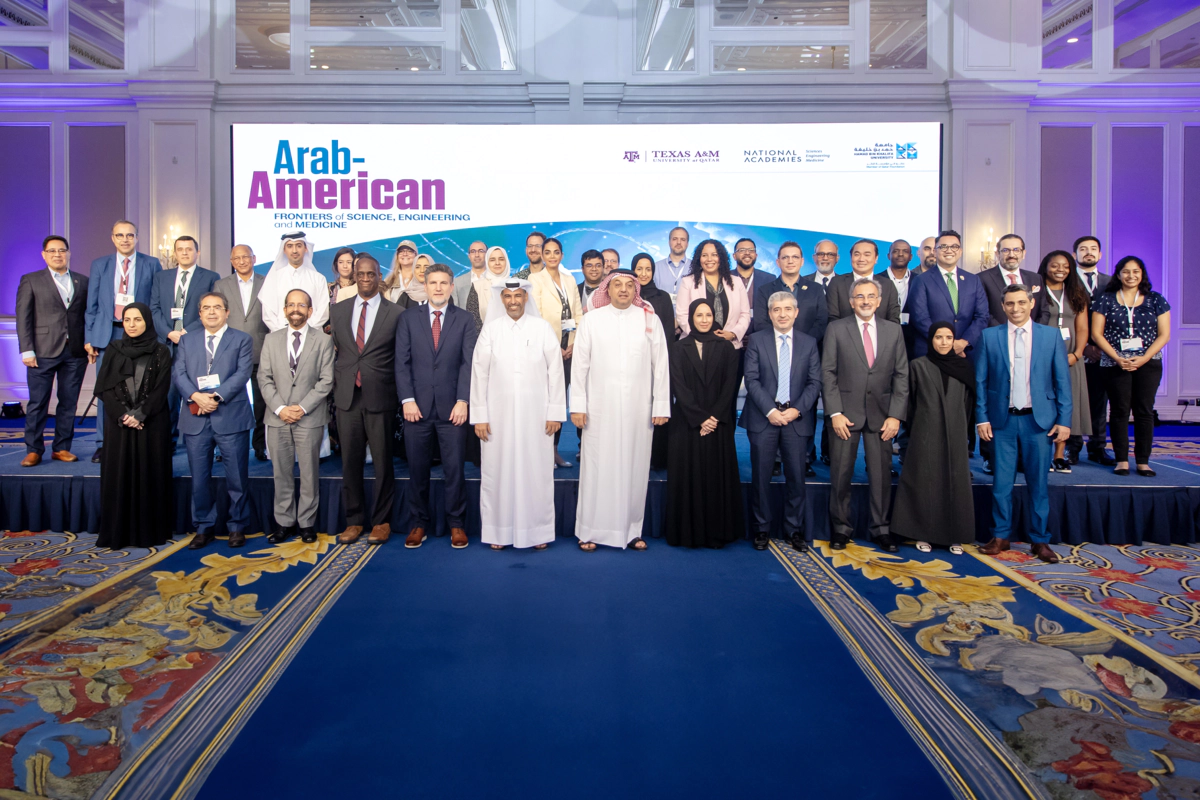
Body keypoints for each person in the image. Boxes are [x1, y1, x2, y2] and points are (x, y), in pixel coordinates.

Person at [571, 271, 670, 551]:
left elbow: (660, 365)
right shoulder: (591, 320)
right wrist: (577, 405)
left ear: (636, 291)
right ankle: (589, 530)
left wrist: (661, 404)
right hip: (599, 408)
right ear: (608, 289)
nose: (624, 290)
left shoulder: (649, 319)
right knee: (597, 467)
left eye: (630, 286)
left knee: (635, 467)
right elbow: (580, 367)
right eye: (618, 285)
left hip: (639, 408)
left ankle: (631, 530)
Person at [977, 284, 1072, 563]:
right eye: (1009, 304)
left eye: (1021, 302)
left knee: (1038, 484)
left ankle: (1040, 540)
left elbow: (1062, 383)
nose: (1015, 308)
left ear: (1031, 303)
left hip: (1038, 421)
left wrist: (1064, 421)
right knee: (1001, 484)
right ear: (1003, 306)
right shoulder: (989, 336)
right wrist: (982, 417)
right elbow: (981, 382)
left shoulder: (1050, 336)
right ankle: (1001, 536)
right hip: (1002, 421)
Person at [471, 280, 565, 550]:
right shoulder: (490, 331)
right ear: (501, 299)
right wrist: (480, 416)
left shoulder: (542, 329)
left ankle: (537, 533)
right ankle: (498, 532)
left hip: (537, 416)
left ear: (526, 298)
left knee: (536, 472)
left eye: (518, 296)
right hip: (496, 418)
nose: (513, 301)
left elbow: (556, 373)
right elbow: (479, 375)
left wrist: (555, 412)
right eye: (508, 296)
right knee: (497, 471)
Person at [822, 278, 909, 553]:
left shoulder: (894, 331)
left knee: (882, 477)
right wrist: (834, 412)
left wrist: (895, 415)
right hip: (845, 416)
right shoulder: (836, 329)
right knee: (840, 475)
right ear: (851, 301)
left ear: (879, 301)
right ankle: (840, 529)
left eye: (871, 296)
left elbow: (902, 376)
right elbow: (828, 373)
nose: (866, 301)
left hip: (882, 417)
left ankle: (881, 529)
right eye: (860, 297)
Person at [396, 263, 477, 549]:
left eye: (444, 283)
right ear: (426, 286)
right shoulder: (408, 318)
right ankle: (418, 524)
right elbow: (401, 363)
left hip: (452, 410)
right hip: (415, 410)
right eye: (433, 283)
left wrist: (463, 400)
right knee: (417, 470)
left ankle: (457, 525)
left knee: (454, 470)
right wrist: (407, 399)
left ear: (452, 287)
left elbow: (469, 364)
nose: (439, 288)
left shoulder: (465, 320)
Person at [740, 292, 822, 551]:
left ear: (796, 312)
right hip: (764, 418)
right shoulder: (756, 340)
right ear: (770, 313)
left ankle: (793, 529)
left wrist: (797, 410)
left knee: (796, 477)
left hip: (796, 419)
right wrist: (770, 410)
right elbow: (751, 379)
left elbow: (815, 382)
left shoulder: (809, 343)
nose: (783, 314)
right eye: (777, 309)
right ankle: (761, 529)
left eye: (788, 309)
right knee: (761, 477)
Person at [174, 292, 256, 550]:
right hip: (196, 416)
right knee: (199, 478)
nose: (211, 312)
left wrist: (216, 397)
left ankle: (237, 526)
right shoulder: (187, 341)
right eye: (206, 308)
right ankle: (203, 527)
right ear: (199, 313)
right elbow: (179, 373)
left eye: (217, 307)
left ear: (226, 312)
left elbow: (243, 373)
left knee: (237, 477)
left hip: (231, 416)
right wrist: (197, 396)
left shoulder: (242, 339)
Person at [330, 254, 402, 545]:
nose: (365, 279)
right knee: (350, 462)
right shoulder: (338, 311)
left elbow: (399, 357)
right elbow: (340, 351)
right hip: (347, 396)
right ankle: (354, 520)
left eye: (370, 274)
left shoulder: (396, 313)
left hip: (380, 394)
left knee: (383, 463)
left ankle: (381, 521)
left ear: (379, 276)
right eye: (360, 274)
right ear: (354, 276)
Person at [92, 303, 174, 549]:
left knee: (150, 473)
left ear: (147, 321)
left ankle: (149, 532)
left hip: (151, 423)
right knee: (119, 474)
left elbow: (162, 388)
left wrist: (140, 414)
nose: (132, 324)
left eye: (137, 319)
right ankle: (118, 532)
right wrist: (124, 415)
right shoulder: (114, 349)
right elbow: (104, 388)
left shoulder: (161, 351)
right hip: (120, 425)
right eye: (127, 320)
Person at [890, 322, 976, 555]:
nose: (944, 342)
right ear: (931, 339)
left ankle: (954, 535)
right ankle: (922, 533)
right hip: (924, 432)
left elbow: (969, 405)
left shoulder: (964, 367)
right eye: (939, 337)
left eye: (949, 337)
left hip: (956, 433)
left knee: (955, 481)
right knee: (925, 480)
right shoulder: (918, 366)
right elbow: (911, 402)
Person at [665, 299, 744, 548]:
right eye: (698, 315)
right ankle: (687, 533)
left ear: (714, 317)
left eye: (708, 315)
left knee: (715, 477)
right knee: (687, 476)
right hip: (687, 423)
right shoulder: (678, 348)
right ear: (690, 318)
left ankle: (717, 532)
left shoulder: (726, 347)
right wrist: (699, 418)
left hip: (718, 424)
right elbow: (678, 386)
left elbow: (730, 386)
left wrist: (714, 417)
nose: (704, 319)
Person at [258, 289, 334, 545]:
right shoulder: (271, 340)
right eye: (290, 304)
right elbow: (264, 378)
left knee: (310, 473)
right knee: (281, 473)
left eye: (301, 305)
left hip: (309, 417)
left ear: (310, 311)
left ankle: (306, 523)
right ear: (284, 310)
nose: (295, 309)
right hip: (277, 417)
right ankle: (284, 522)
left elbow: (326, 381)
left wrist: (301, 408)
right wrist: (281, 408)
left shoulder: (323, 341)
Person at [85, 219, 162, 463]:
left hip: (141, 336)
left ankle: (142, 435)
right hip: (107, 335)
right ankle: (103, 442)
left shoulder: (152, 264)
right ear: (113, 238)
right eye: (120, 235)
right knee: (107, 390)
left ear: (137, 237)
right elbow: (92, 306)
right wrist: (90, 338)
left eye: (130, 235)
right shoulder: (100, 265)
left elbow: (156, 302)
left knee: (142, 387)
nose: (125, 239)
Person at [1092, 256, 1170, 478]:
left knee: (1144, 412)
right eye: (1126, 271)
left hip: (1148, 363)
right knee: (1119, 411)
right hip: (1114, 363)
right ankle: (1122, 460)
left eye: (1136, 271)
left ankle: (1143, 461)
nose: (1131, 276)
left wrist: (1144, 357)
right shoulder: (1105, 299)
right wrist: (1117, 357)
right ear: (1118, 275)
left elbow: (1164, 334)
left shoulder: (1156, 299)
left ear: (1142, 274)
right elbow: (1097, 333)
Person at [16, 235, 91, 467]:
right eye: (52, 251)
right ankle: (34, 450)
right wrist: (26, 350)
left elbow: (87, 316)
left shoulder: (83, 281)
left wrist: (90, 344)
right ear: (44, 255)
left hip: (75, 351)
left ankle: (61, 448)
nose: (58, 254)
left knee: (69, 403)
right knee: (38, 402)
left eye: (62, 250)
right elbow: (23, 317)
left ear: (69, 253)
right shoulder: (31, 280)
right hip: (42, 351)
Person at [758, 242, 828, 474]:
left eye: (795, 257)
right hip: (773, 353)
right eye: (785, 257)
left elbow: (821, 321)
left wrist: (800, 344)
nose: (790, 261)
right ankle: (776, 460)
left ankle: (804, 458)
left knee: (803, 403)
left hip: (805, 355)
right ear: (777, 262)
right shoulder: (765, 289)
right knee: (775, 401)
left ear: (801, 261)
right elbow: (759, 322)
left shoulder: (815, 290)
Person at [151, 236, 219, 450]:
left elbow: (212, 310)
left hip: (196, 342)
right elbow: (153, 308)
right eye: (180, 249)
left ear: (197, 253)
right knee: (168, 394)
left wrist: (187, 332)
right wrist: (169, 332)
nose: (185, 253)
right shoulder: (161, 277)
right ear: (175, 253)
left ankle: (196, 440)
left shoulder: (209, 277)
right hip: (167, 343)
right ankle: (169, 440)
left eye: (189, 249)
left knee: (196, 391)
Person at [529, 236, 583, 468]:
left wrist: (572, 344)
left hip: (570, 349)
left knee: (562, 403)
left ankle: (556, 451)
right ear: (542, 255)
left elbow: (578, 314)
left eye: (556, 252)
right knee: (547, 402)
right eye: (547, 252)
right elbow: (536, 317)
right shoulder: (535, 278)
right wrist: (555, 348)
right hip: (547, 351)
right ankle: (544, 451)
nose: (551, 256)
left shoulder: (570, 280)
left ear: (562, 255)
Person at [1038, 250, 1091, 473]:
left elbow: (1082, 328)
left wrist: (1077, 354)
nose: (1060, 270)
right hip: (1041, 356)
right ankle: (1040, 454)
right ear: (1045, 267)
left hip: (1070, 357)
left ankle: (1059, 455)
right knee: (1042, 403)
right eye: (1055, 265)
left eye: (1065, 266)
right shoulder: (1037, 290)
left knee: (1066, 404)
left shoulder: (1077, 293)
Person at [216, 244, 270, 461]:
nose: (241, 261)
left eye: (245, 257)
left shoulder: (267, 282)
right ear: (231, 261)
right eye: (236, 258)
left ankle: (260, 445)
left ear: (254, 258)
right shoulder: (221, 285)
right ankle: (223, 447)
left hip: (260, 349)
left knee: (261, 403)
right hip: (230, 353)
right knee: (227, 401)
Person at [907, 230, 990, 359]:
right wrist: (946, 343)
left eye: (954, 247)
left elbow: (982, 316)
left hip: (965, 353)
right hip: (931, 352)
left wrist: (963, 342)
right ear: (935, 251)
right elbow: (920, 318)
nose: (949, 250)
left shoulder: (973, 280)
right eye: (943, 246)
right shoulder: (921, 280)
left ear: (960, 251)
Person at [1073, 235, 1115, 466]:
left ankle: (1098, 448)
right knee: (1073, 400)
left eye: (1093, 249)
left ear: (1100, 255)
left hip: (1103, 352)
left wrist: (1099, 346)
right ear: (1074, 255)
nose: (1088, 253)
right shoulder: (1066, 282)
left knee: (1100, 402)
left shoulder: (1112, 282)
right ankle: (1072, 446)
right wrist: (1083, 347)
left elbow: (1117, 317)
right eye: (1083, 249)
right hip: (1075, 351)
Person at [633, 252, 675, 470]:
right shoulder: (627, 295)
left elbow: (668, 332)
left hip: (658, 361)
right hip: (632, 365)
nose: (643, 273)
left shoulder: (663, 297)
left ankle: (657, 458)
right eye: (639, 269)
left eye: (648, 269)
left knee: (658, 407)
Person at [674, 239, 750, 349]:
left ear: (721, 258)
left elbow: (745, 314)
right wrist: (702, 336)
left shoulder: (736, 282)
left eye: (714, 255)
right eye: (704, 255)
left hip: (730, 346)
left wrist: (733, 333)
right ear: (699, 259)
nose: (709, 259)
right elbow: (682, 314)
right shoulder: (688, 282)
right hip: (696, 346)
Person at [259, 231, 330, 333]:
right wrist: (285, 332)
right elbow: (268, 315)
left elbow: (323, 313)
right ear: (284, 250)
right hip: (280, 337)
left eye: (299, 246)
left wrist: (304, 331)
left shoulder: (318, 279)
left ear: (305, 249)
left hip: (312, 337)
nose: (294, 250)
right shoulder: (273, 279)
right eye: (290, 246)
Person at [827, 240, 901, 324]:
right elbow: (832, 318)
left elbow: (893, 319)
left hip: (881, 336)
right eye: (857, 254)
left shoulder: (888, 285)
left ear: (876, 258)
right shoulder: (837, 283)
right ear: (851, 257)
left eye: (867, 254)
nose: (861, 259)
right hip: (843, 336)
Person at [980, 234, 1047, 327]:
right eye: (1005, 250)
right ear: (997, 254)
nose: (1011, 255)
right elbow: (983, 313)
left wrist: (1034, 332)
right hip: (998, 336)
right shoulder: (982, 278)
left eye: (1016, 250)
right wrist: (1005, 333)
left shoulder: (1035, 278)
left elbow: (1044, 312)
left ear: (1023, 254)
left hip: (1031, 337)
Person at [732, 237, 776, 338]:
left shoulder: (769, 279)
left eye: (751, 250)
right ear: (734, 256)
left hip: (761, 335)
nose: (747, 253)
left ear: (756, 255)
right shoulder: (725, 278)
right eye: (742, 250)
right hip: (731, 333)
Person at [464, 246, 511, 332]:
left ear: (506, 261)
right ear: (487, 262)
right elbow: (473, 319)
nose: (497, 263)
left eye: (501, 259)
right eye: (492, 260)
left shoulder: (516, 285)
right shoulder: (477, 286)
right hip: (486, 339)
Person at [654, 227, 691, 295]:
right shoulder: (655, 267)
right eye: (675, 239)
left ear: (687, 244)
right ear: (669, 242)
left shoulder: (695, 268)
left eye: (683, 239)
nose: (679, 242)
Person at [454, 240, 488, 308]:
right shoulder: (457, 282)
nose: (477, 255)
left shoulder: (495, 280)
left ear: (487, 255)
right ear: (469, 256)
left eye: (481, 251)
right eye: (473, 251)